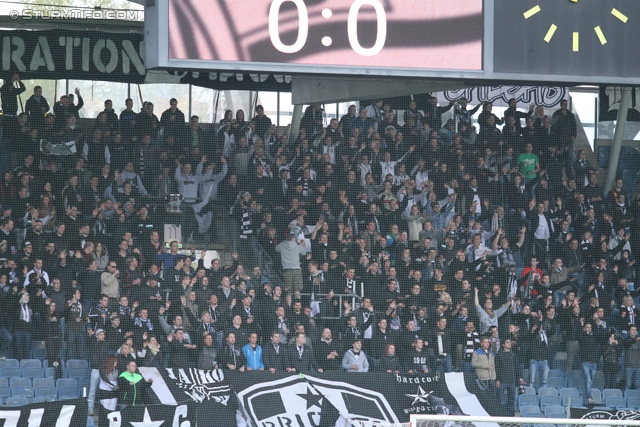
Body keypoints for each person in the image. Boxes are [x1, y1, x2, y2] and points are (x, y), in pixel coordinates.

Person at [495, 338, 525, 415]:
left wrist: (520, 377)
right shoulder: (499, 355)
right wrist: (497, 380)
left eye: (510, 342)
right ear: (503, 344)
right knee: (499, 399)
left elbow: (517, 367)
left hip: (512, 381)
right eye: (507, 342)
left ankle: (511, 415)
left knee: (512, 400)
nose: (509, 344)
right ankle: (499, 415)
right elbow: (497, 368)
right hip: (502, 381)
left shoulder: (513, 354)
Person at [275, 226, 308, 295]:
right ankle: (297, 305)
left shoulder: (282, 246)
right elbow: (304, 252)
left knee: (288, 292)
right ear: (294, 238)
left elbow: (276, 248)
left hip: (287, 270)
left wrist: (285, 240)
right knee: (297, 291)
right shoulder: (298, 246)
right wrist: (299, 243)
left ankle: (289, 306)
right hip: (297, 270)